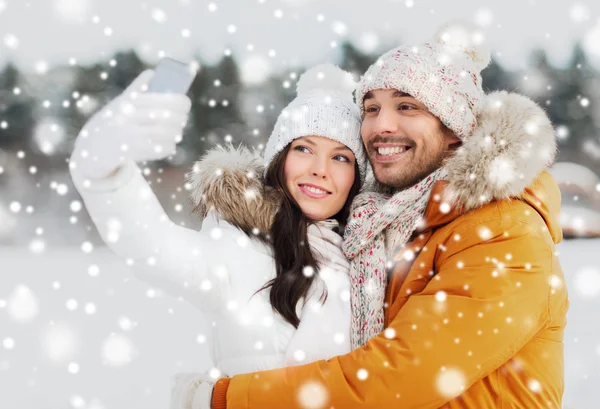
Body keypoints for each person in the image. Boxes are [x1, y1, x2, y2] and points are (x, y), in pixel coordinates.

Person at [177, 22, 568, 409]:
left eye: (407, 106)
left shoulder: (504, 232)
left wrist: (230, 398)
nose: (381, 126)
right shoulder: (391, 225)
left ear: (454, 130)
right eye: (371, 108)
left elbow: (400, 375)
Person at [68, 64, 368, 405]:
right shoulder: (240, 251)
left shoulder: (371, 262)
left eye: (341, 157)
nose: (320, 169)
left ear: (356, 179)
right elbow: (151, 243)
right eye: (304, 148)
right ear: (279, 159)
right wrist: (103, 170)